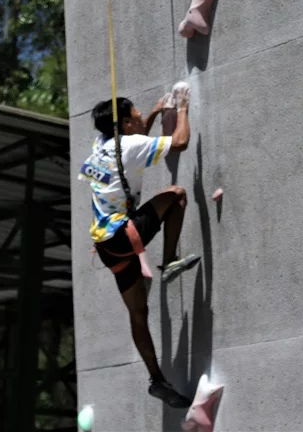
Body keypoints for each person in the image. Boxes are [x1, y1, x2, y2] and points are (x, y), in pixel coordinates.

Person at [78, 87, 200, 407]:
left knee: (138, 312)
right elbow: (181, 142)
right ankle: (170, 259)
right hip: (123, 234)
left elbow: (133, 143)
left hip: (106, 246)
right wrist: (182, 108)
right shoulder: (130, 144)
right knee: (177, 195)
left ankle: (157, 380)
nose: (138, 117)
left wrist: (155, 113)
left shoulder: (99, 147)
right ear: (124, 126)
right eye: (134, 115)